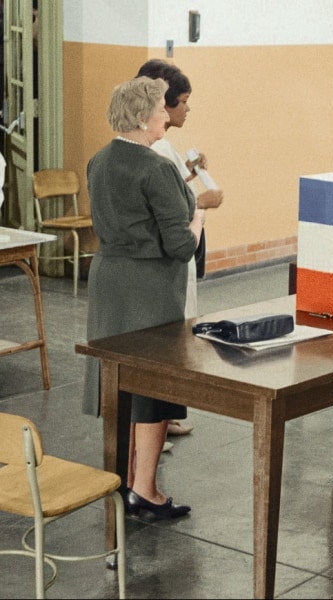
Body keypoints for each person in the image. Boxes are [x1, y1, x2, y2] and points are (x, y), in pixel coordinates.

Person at [83, 76, 205, 517]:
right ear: (140, 116)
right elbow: (180, 246)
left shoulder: (99, 161)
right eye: (158, 108)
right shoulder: (157, 168)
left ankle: (122, 478)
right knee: (151, 388)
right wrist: (200, 218)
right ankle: (146, 489)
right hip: (149, 288)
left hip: (109, 279)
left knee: (119, 383)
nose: (164, 116)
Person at [134, 59, 224, 440]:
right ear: (162, 105)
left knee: (172, 337)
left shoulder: (156, 150)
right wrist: (203, 203)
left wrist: (189, 177)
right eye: (181, 102)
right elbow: (177, 208)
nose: (184, 111)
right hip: (169, 256)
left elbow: (171, 191)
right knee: (168, 340)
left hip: (165, 257)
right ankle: (152, 425)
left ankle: (160, 420)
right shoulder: (154, 148)